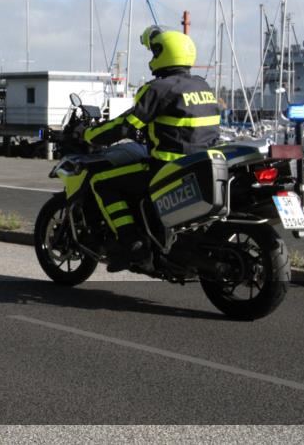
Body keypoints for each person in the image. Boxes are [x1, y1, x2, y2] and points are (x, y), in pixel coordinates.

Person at [83, 26, 220, 272]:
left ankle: (132, 245)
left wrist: (90, 134)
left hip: (167, 167)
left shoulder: (159, 89)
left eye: (154, 52)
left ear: (162, 53)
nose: (151, 58)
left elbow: (127, 125)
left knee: (101, 182)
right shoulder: (202, 86)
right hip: (202, 164)